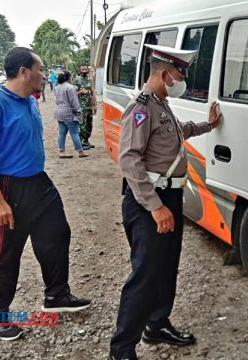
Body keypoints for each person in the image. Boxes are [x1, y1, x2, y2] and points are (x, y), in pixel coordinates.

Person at [109, 44, 222, 360]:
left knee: (166, 266)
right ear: (164, 73)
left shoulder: (161, 103)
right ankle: (121, 348)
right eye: (180, 73)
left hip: (168, 197)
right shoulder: (141, 107)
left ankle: (156, 325)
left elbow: (178, 132)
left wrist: (208, 126)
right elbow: (129, 159)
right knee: (145, 275)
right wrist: (155, 206)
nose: (182, 79)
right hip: (149, 202)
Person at [0, 47, 91, 341]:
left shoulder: (30, 102)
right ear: (24, 72)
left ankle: (56, 296)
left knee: (57, 234)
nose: (44, 74)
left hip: (39, 182)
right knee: (7, 252)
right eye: (39, 69)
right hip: (10, 188)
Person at [54, 70, 89, 158]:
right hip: (69, 113)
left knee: (62, 133)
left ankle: (61, 152)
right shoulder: (70, 88)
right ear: (69, 77)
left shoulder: (57, 87)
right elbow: (74, 102)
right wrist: (78, 112)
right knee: (75, 133)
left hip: (59, 112)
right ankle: (81, 152)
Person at [73, 64, 97, 150]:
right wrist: (81, 92)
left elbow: (93, 93)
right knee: (82, 125)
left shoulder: (90, 79)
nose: (84, 71)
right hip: (81, 107)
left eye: (85, 69)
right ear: (79, 70)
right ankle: (80, 143)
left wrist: (95, 105)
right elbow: (73, 94)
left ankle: (86, 141)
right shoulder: (76, 80)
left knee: (89, 125)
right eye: (82, 69)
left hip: (89, 106)